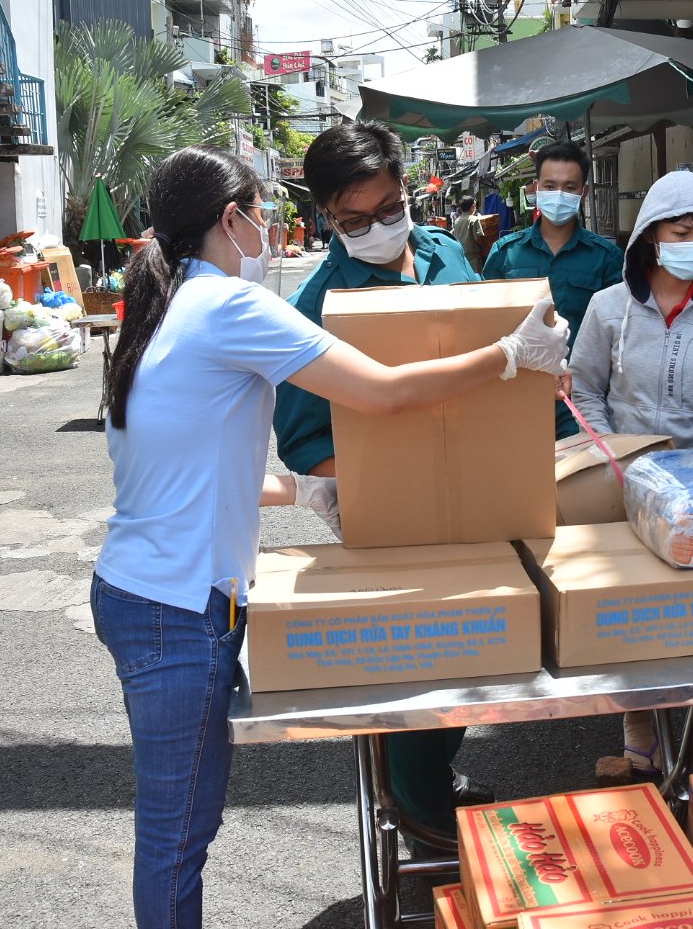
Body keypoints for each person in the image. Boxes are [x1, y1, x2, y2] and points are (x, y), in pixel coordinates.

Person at [93, 144, 568, 928]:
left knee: (180, 832)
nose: (271, 229)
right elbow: (380, 396)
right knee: (177, 836)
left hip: (150, 591)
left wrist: (305, 488)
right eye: (262, 213)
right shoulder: (228, 306)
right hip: (172, 610)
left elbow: (191, 469)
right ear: (230, 220)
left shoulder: (168, 309)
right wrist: (510, 356)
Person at [271, 120, 498, 845]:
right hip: (384, 507)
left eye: (389, 209)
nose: (377, 228)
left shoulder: (447, 254)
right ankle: (420, 807)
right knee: (422, 656)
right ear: (327, 218)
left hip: (474, 483)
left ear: (408, 192)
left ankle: (433, 775)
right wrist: (379, 486)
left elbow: (492, 347)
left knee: (484, 641)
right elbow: (304, 437)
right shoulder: (320, 302)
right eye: (354, 220)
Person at [567, 169, 693, 775]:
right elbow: (585, 392)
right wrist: (612, 455)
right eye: (682, 230)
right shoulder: (607, 309)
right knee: (638, 613)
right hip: (631, 483)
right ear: (652, 237)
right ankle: (639, 740)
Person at [482, 141, 622, 436]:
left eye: (569, 187)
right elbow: (483, 326)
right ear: (536, 188)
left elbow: (620, 333)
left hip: (582, 399)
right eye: (550, 185)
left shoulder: (606, 257)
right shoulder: (505, 253)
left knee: (578, 478)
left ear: (583, 192)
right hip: (516, 394)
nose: (559, 194)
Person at [451, 195, 483, 271]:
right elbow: (479, 239)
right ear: (472, 207)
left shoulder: (457, 221)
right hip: (473, 259)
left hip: (461, 258)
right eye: (474, 206)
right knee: (475, 281)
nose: (475, 208)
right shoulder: (474, 220)